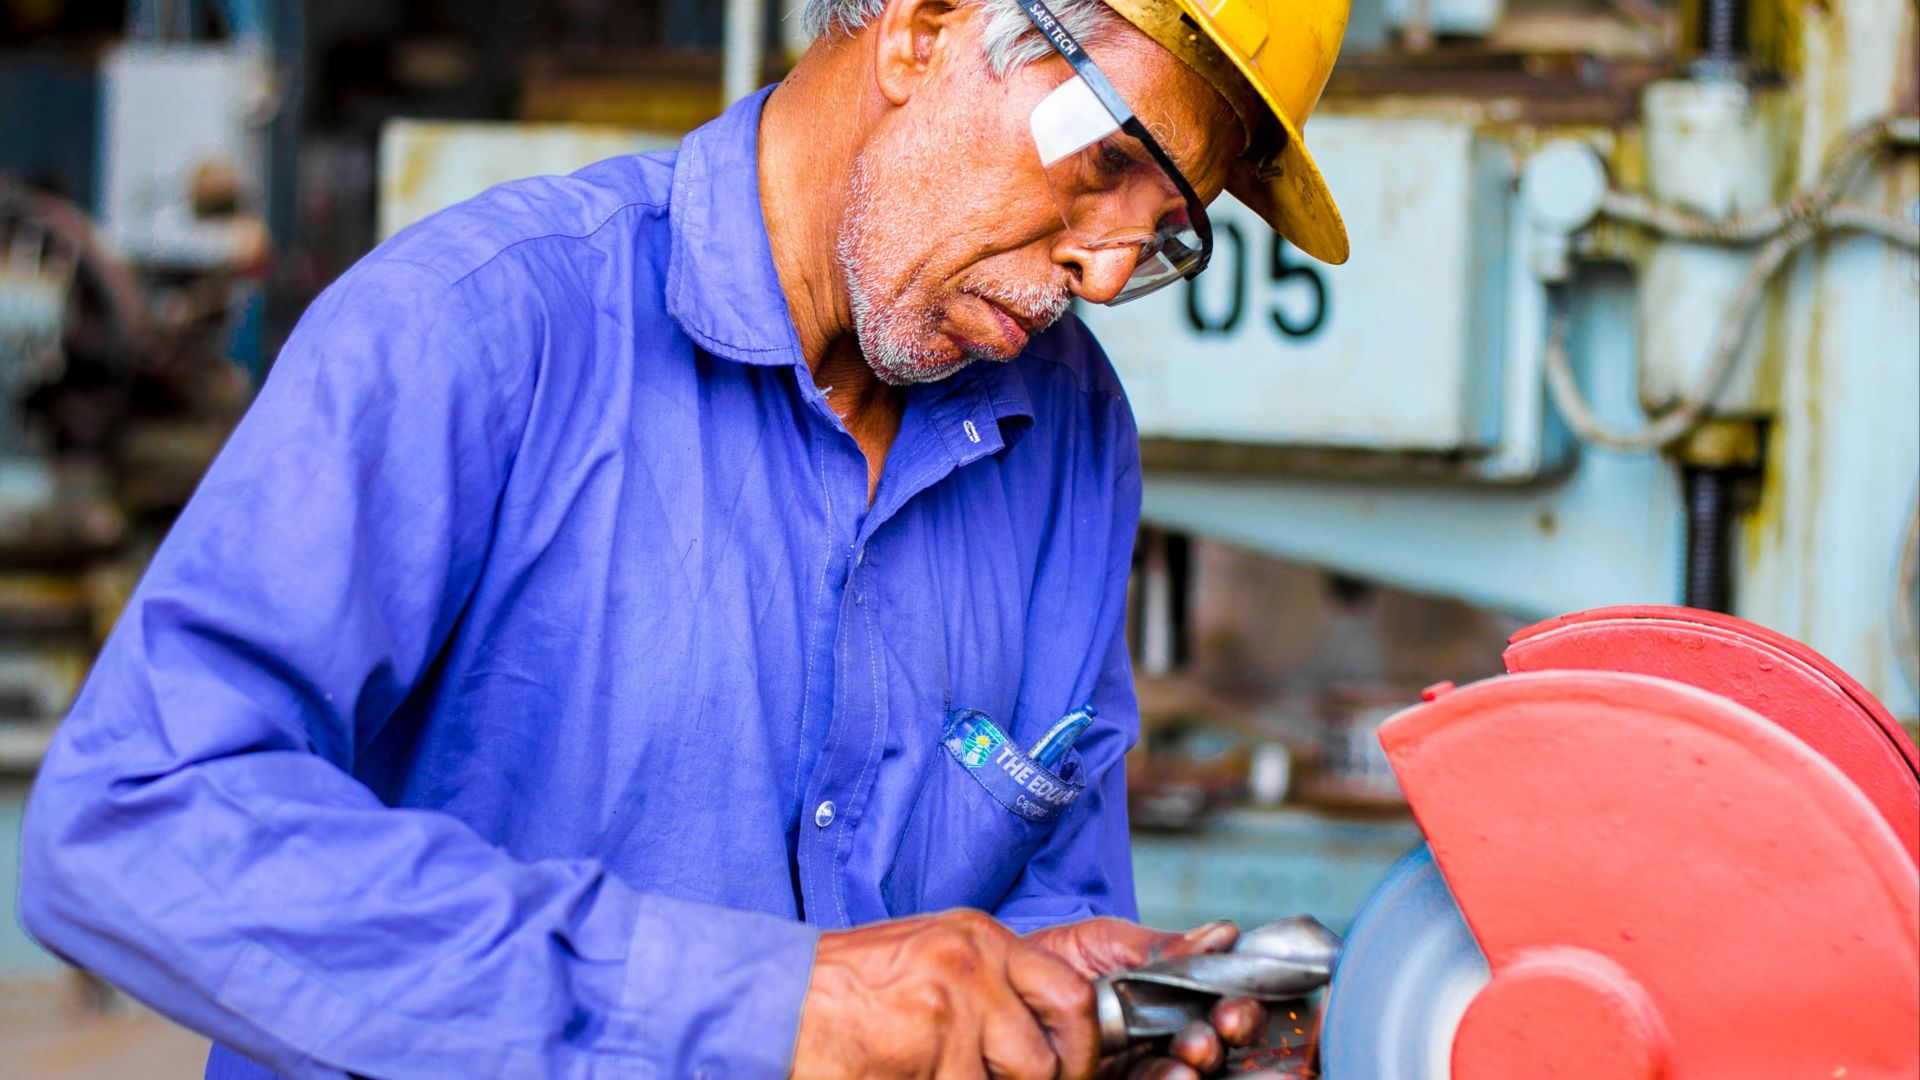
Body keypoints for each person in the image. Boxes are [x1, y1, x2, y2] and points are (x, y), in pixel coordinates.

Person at [19, 0, 1352, 1076]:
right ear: (922, 29)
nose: (1108, 274)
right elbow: (131, 825)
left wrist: (1083, 1018)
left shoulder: (1066, 432)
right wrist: (769, 1006)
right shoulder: (479, 331)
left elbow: (1043, 899)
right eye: (1108, 159)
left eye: (1167, 232)